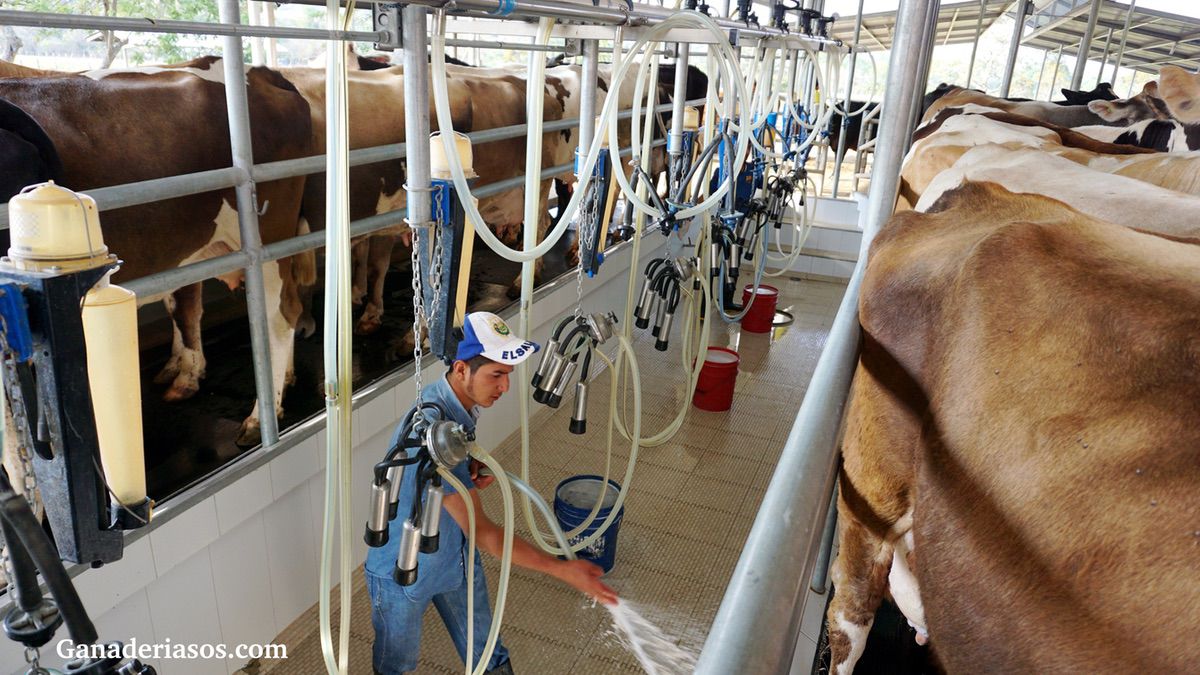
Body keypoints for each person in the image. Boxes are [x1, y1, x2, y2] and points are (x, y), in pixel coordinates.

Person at [365, 311, 618, 675]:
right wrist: (563, 570)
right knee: (395, 667)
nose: (505, 387)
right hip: (400, 570)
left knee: (489, 655)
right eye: (496, 375)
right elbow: (485, 534)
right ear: (461, 370)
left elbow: (443, 477)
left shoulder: (453, 402)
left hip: (453, 558)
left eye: (508, 375)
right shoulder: (433, 424)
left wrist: (466, 471)